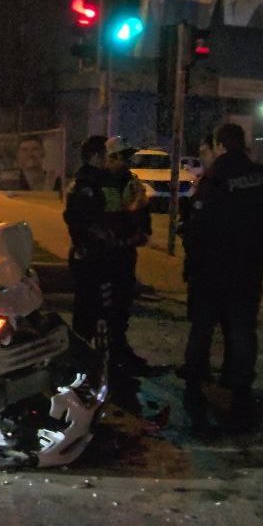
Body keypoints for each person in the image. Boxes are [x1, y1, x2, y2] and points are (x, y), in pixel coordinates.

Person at [179, 124, 263, 432]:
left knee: (203, 326)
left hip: (213, 269)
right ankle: (240, 385)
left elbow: (199, 225)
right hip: (248, 267)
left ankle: (195, 378)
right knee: (242, 329)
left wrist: (192, 257)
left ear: (220, 145)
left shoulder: (214, 178)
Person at [65, 136, 125, 355]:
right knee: (93, 309)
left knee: (89, 308)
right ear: (96, 156)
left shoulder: (89, 181)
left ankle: (89, 356)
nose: (108, 160)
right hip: (93, 257)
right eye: (105, 155)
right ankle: (90, 359)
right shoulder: (88, 184)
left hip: (91, 254)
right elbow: (82, 221)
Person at [99, 138, 155, 372]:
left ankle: (119, 350)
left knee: (122, 306)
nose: (127, 162)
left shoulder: (132, 183)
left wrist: (138, 233)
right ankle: (104, 356)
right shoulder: (99, 184)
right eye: (122, 157)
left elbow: (142, 218)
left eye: (128, 157)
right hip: (105, 256)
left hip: (125, 254)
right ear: (110, 158)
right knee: (104, 308)